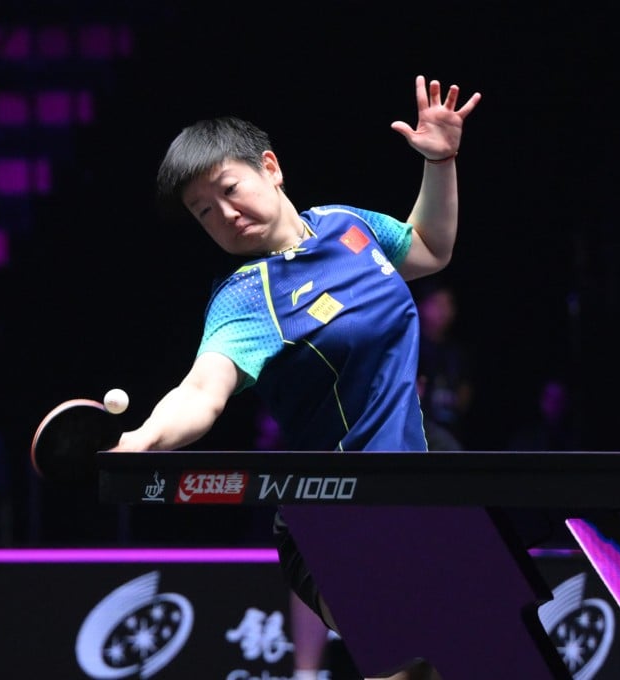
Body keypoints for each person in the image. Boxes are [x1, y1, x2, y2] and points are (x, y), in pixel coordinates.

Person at [110, 75, 480, 680]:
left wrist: (440, 163)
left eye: (228, 190)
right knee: (404, 651)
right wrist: (142, 441)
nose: (225, 215)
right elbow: (203, 391)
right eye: (204, 213)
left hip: (416, 491)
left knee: (449, 661)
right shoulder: (246, 298)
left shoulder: (345, 226)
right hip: (332, 511)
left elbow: (429, 249)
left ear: (271, 168)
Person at [414, 280, 474, 450]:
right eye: (437, 303)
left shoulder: (457, 353)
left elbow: (465, 393)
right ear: (420, 306)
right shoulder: (412, 347)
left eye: (448, 303)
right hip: (421, 429)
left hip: (452, 428)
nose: (444, 310)